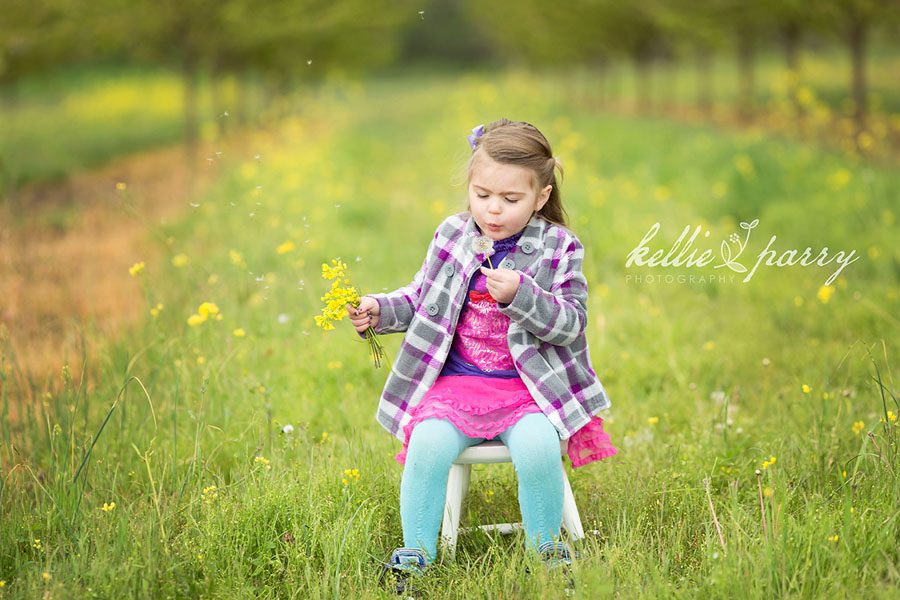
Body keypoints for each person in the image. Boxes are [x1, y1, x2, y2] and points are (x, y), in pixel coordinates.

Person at [346, 118, 617, 594]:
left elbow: (572, 322)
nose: (493, 210)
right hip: (457, 385)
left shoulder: (560, 247)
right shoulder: (452, 234)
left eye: (511, 200)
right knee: (427, 448)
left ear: (540, 195)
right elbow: (419, 297)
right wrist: (379, 308)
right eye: (482, 194)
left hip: (526, 388)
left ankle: (547, 549)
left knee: (536, 449)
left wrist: (523, 295)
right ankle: (416, 554)